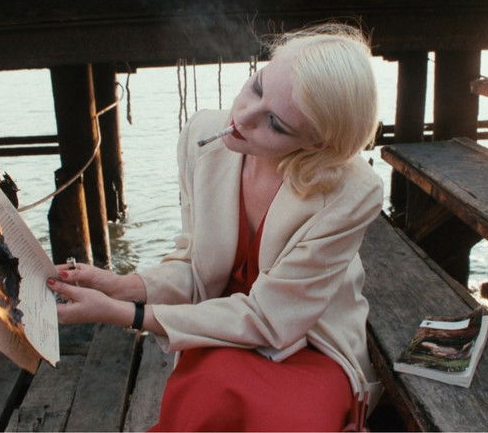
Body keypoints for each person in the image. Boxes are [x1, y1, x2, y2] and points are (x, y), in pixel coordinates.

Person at [46, 23, 383, 431]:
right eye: (256, 87)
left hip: (310, 342)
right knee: (210, 398)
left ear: (318, 144)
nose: (243, 116)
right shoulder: (202, 137)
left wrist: (125, 314)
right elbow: (194, 264)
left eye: (275, 123)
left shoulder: (353, 191)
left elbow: (270, 319)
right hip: (217, 329)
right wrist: (122, 286)